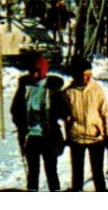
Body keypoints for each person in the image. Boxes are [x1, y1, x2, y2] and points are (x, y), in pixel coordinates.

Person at [9, 55, 66, 191]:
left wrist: (51, 115)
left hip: (49, 137)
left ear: (43, 72)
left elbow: (64, 111)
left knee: (51, 171)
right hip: (31, 137)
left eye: (37, 71)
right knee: (32, 174)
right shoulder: (25, 88)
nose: (33, 74)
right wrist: (21, 124)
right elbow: (15, 110)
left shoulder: (53, 89)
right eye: (32, 71)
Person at [62, 58, 108, 191]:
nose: (85, 77)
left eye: (87, 74)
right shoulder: (68, 92)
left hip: (95, 137)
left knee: (98, 173)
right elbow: (67, 118)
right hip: (76, 137)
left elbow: (105, 113)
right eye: (82, 74)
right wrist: (67, 136)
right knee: (77, 173)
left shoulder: (96, 89)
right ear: (75, 75)